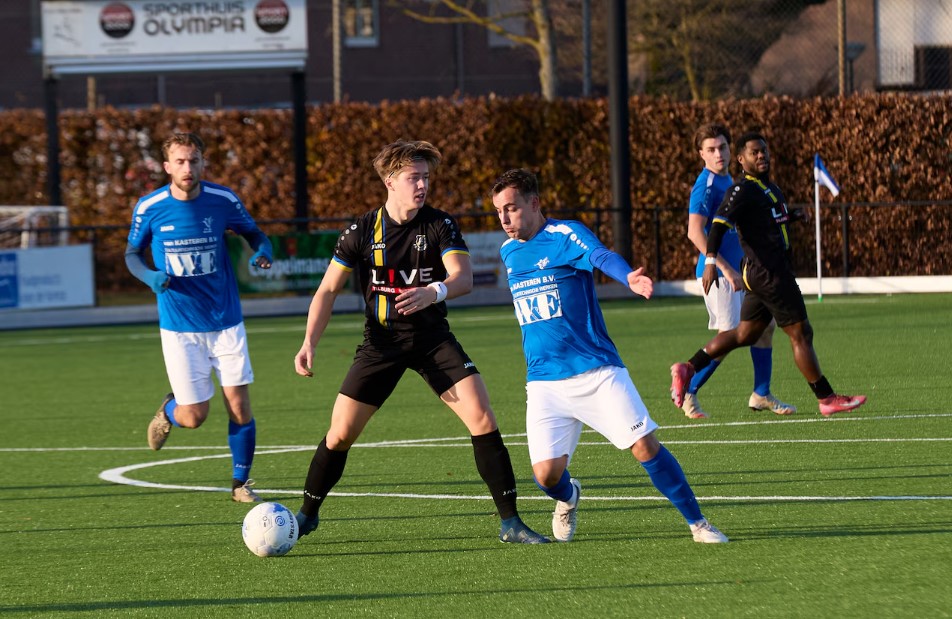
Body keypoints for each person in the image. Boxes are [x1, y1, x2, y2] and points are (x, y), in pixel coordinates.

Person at [292, 140, 548, 544]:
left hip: (432, 342)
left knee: (482, 416)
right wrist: (309, 342)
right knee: (340, 434)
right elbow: (326, 291)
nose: (423, 185)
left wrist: (435, 292)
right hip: (381, 345)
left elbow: (462, 278)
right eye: (414, 177)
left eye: (426, 177)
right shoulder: (362, 231)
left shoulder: (438, 224)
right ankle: (306, 515)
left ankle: (511, 523)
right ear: (390, 181)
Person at [490, 168, 728, 544]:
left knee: (644, 445)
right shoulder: (509, 251)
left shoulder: (565, 235)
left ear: (534, 203)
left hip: (596, 371)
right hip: (544, 382)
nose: (504, 219)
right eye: (499, 211)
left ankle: (698, 524)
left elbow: (601, 256)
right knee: (546, 476)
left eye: (512, 208)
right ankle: (569, 497)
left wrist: (628, 277)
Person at [670, 131, 867, 417]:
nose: (761, 155)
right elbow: (716, 226)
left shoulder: (769, 188)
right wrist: (712, 261)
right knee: (801, 333)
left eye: (764, 151)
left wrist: (792, 217)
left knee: (746, 333)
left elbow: (768, 220)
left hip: (759, 273)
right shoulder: (742, 189)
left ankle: (690, 367)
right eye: (753, 152)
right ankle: (826, 398)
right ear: (741, 159)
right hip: (769, 274)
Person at [125, 132, 274, 503]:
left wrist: (262, 252)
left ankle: (241, 484)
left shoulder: (222, 200)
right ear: (166, 166)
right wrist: (150, 276)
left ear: (203, 163)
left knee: (239, 405)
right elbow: (131, 254)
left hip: (226, 320)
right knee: (194, 417)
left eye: (193, 160)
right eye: (179, 161)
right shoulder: (150, 206)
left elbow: (256, 235)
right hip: (179, 327)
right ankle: (169, 409)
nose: (187, 168)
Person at [683, 123, 794, 419]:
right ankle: (687, 391)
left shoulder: (728, 179)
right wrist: (724, 267)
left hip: (742, 272)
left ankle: (761, 393)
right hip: (720, 275)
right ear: (701, 155)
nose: (718, 153)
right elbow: (695, 232)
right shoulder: (705, 186)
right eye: (711, 149)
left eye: (722, 147)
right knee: (730, 336)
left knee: (764, 327)